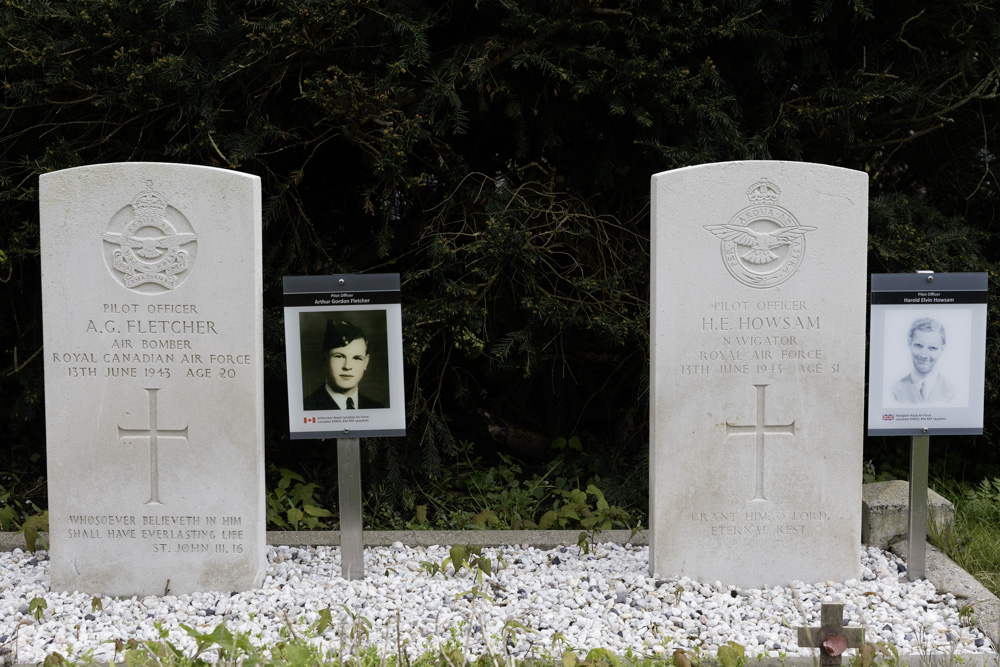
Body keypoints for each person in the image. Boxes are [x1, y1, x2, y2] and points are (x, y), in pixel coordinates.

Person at [303, 319, 385, 410]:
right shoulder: (307, 407)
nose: (347, 366)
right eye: (339, 356)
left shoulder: (376, 408)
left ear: (366, 362)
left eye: (357, 358)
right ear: (325, 359)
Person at [890, 317, 955, 404]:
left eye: (932, 348)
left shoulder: (953, 393)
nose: (924, 355)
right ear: (909, 343)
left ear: (942, 350)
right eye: (918, 346)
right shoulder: (894, 391)